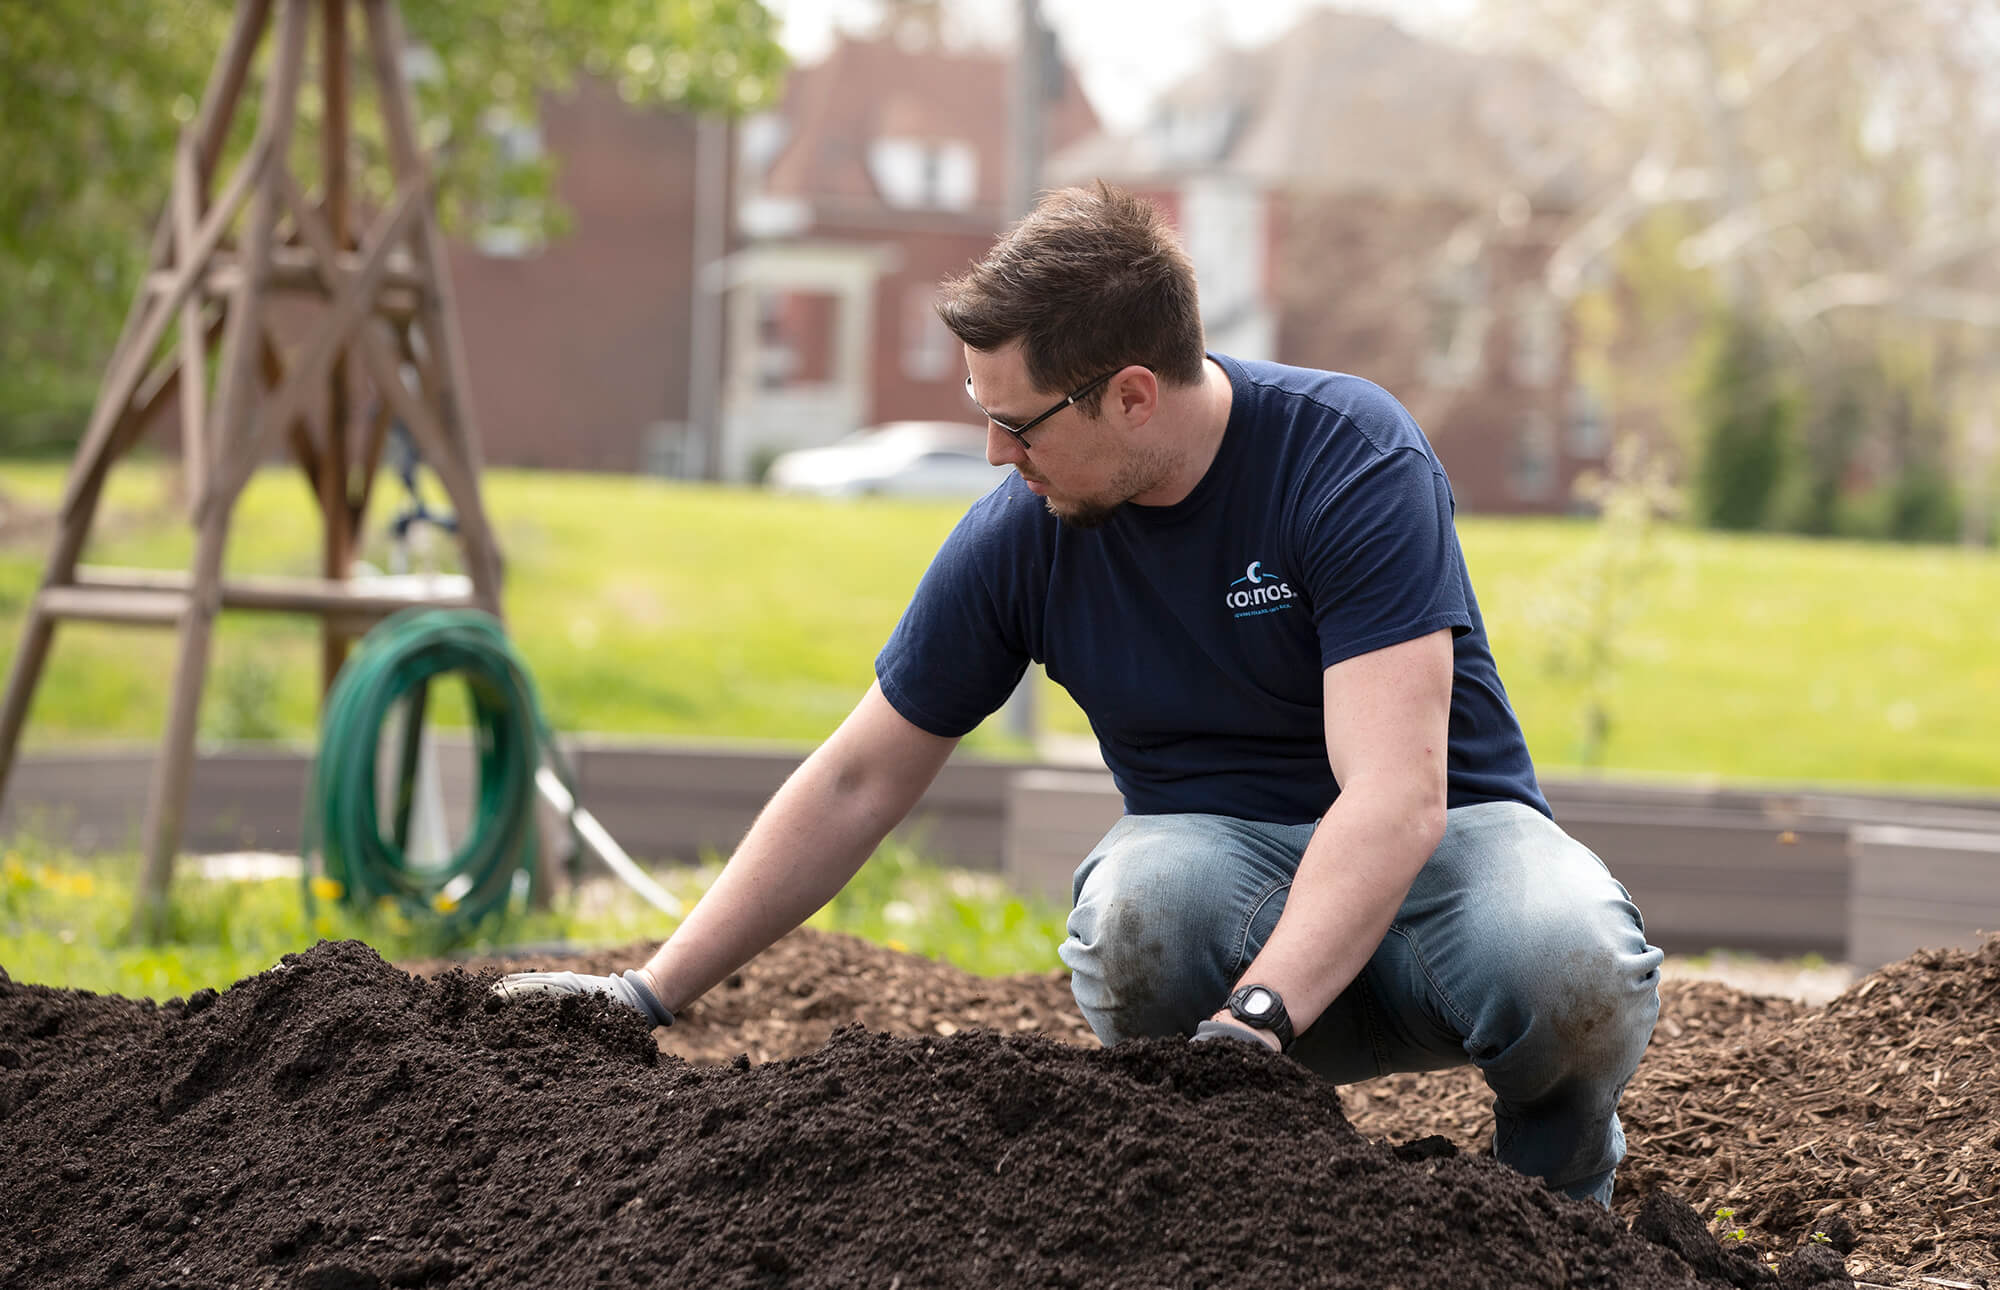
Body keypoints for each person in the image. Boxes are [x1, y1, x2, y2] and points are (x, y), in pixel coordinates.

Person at [496, 183, 1663, 1207]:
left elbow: (1395, 799)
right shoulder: (1025, 530)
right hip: (1227, 881)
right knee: (1139, 913)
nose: (997, 457)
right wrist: (647, 994)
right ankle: (1240, 1192)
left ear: (1133, 395)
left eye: (1015, 423)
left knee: (1563, 957)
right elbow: (856, 780)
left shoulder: (1344, 456)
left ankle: (1552, 1207)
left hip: (1441, 869)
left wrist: (1249, 1027)